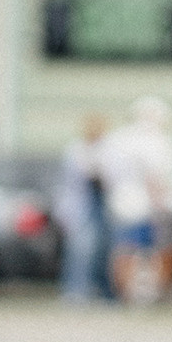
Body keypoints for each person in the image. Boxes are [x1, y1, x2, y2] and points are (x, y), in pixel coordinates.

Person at [97, 95, 172, 304]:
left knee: (124, 249)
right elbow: (155, 176)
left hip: (120, 202)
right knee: (163, 248)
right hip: (147, 204)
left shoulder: (118, 139)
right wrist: (162, 203)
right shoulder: (156, 140)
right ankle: (159, 293)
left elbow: (103, 172)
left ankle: (123, 295)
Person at [52, 118, 107, 304]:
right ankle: (75, 290)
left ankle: (94, 289)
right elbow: (82, 176)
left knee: (98, 251)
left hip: (98, 207)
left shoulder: (103, 149)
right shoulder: (77, 150)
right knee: (79, 250)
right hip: (80, 208)